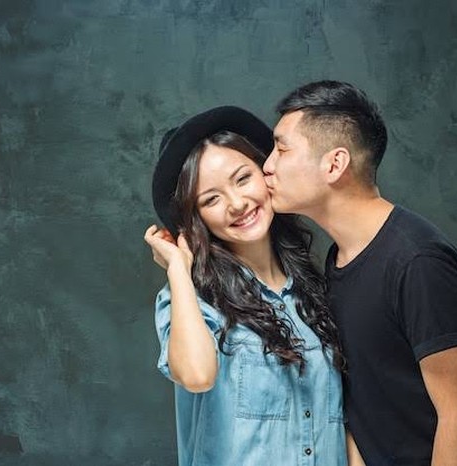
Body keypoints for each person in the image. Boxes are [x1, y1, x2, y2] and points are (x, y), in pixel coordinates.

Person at [262, 81, 457, 466]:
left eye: (281, 149)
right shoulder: (339, 258)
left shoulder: (418, 261)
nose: (267, 165)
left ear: (334, 164)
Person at [144, 106, 348, 466]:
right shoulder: (192, 298)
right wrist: (178, 268)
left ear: (265, 172)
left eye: (242, 179)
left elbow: (346, 420)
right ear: (197, 219)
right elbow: (196, 375)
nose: (237, 204)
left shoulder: (314, 288)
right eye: (211, 199)